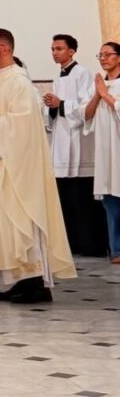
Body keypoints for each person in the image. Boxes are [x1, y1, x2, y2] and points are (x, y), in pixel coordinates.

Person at [0, 28, 75, 302]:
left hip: (17, 169)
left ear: (6, 48)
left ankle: (35, 283)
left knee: (19, 218)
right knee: (5, 222)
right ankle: (19, 279)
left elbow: (22, 127)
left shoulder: (19, 82)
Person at [45, 33, 107, 256]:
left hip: (80, 142)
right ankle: (72, 243)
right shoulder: (57, 76)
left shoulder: (83, 74)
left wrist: (60, 103)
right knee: (66, 197)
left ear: (71, 51)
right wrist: (51, 107)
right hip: (62, 141)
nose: (54, 53)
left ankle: (92, 245)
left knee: (82, 197)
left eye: (59, 49)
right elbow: (56, 111)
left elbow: (85, 107)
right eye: (52, 49)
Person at [82, 41, 120, 264]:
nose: (103, 58)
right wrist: (98, 94)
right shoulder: (98, 86)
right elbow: (86, 116)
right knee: (110, 199)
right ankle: (116, 249)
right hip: (106, 152)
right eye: (100, 55)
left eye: (108, 54)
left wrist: (105, 94)